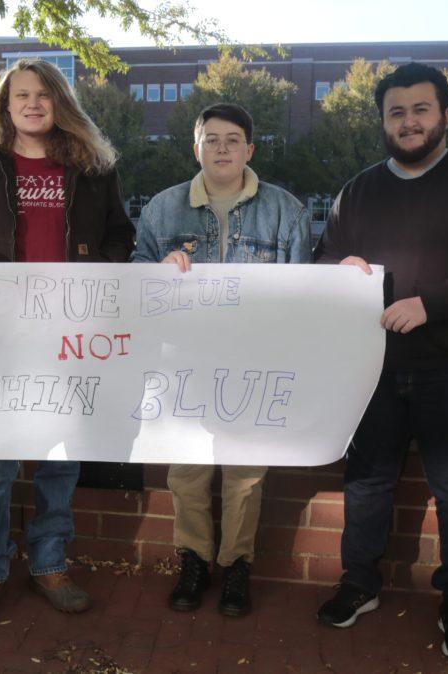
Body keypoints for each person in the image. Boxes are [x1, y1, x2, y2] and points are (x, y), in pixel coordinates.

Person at [311, 63, 448, 662]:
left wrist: (430, 305)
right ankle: (359, 583)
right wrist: (339, 271)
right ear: (383, 120)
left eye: (421, 109)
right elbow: (326, 257)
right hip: (372, 365)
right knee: (368, 480)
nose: (409, 121)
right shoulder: (357, 190)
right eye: (396, 112)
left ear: (445, 114)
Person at [0, 58, 136, 626]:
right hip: (4, 341)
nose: (33, 104)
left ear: (60, 102)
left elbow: (121, 235)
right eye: (21, 95)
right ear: (6, 106)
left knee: (58, 462)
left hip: (71, 340)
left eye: (44, 94)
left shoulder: (93, 171)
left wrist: (95, 275)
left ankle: (49, 564)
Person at [132, 102, 310, 617]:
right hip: (184, 363)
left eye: (233, 139)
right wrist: (158, 269)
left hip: (254, 364)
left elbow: (302, 295)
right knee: (185, 473)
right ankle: (193, 561)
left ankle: (236, 566)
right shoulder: (161, 211)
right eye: (212, 139)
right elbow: (136, 278)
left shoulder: (286, 211)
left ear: (250, 150)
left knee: (246, 474)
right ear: (196, 148)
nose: (223, 148)